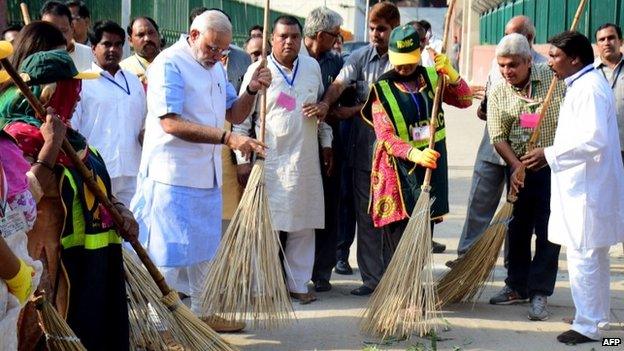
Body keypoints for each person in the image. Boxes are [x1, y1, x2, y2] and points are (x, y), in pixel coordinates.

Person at [131, 10, 270, 332]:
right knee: (167, 257)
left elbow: (233, 112)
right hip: (172, 175)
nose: (217, 55)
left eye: (223, 50)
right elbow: (170, 122)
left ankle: (205, 314)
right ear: (193, 35)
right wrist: (227, 138)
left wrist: (251, 89)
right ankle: (159, 328)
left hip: (205, 174)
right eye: (211, 47)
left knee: (205, 252)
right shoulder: (170, 63)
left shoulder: (215, 68)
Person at [0, 45, 136, 349]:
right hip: (47, 270)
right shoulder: (19, 140)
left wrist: (120, 212)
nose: (77, 99)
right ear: (49, 94)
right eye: (71, 90)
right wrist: (51, 146)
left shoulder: (74, 140)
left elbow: (96, 187)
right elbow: (25, 200)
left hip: (92, 268)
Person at [234, 15, 331, 304]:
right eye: (282, 36)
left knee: (304, 224)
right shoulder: (259, 69)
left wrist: (327, 142)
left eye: (294, 37)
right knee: (265, 226)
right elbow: (241, 120)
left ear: (301, 39)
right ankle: (262, 288)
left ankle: (298, 283)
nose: (289, 41)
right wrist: (242, 159)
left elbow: (321, 109)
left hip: (305, 160)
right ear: (271, 40)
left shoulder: (312, 67)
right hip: (270, 160)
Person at [361, 24, 471, 276]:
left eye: (409, 62)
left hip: (430, 169)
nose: (403, 68)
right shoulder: (382, 89)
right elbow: (385, 136)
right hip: (398, 172)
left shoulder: (433, 78)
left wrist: (452, 75)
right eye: (398, 62)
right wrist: (414, 154)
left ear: (419, 52)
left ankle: (411, 289)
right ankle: (398, 292)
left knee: (423, 233)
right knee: (399, 237)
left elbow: (464, 100)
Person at [320, 2, 409, 296]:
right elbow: (339, 83)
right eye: (372, 28)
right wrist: (327, 103)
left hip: (396, 156)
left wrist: (354, 110)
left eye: (381, 29)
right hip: (362, 154)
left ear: (394, 28)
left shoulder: (406, 61)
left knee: (394, 217)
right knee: (366, 215)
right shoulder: (358, 57)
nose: (375, 34)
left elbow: (393, 102)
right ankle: (372, 279)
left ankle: (396, 278)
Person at [543, 30, 624, 345]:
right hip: (585, 186)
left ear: (574, 59)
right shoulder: (582, 84)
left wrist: (548, 154)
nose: (550, 62)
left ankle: (587, 325)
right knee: (593, 255)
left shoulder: (588, 89)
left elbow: (593, 139)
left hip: (588, 189)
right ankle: (595, 316)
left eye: (555, 56)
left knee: (584, 255)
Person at [449, 16, 548, 267]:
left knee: (516, 211)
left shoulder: (544, 70)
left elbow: (541, 116)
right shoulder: (499, 63)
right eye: (505, 34)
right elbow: (488, 105)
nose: (507, 40)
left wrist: (518, 120)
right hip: (493, 146)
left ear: (528, 39)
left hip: (524, 152)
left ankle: (512, 268)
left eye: (513, 34)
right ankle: (466, 257)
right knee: (479, 200)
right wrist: (484, 109)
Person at [487, 33, 565, 321]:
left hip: (552, 168)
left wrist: (549, 152)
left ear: (529, 62)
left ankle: (540, 292)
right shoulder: (498, 90)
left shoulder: (553, 78)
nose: (507, 72)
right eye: (502, 66)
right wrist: (516, 165)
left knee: (549, 231)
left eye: (513, 65)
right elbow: (497, 136)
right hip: (517, 168)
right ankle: (516, 285)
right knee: (517, 229)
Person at [72, 21, 146, 206]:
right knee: (101, 228)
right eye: (106, 44)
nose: (113, 49)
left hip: (132, 170)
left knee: (131, 227)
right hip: (96, 169)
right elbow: (72, 127)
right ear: (93, 47)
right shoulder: (82, 81)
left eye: (118, 44)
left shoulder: (133, 81)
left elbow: (145, 122)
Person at [299, 6, 344, 293]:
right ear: (319, 35)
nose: (338, 40)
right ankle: (289, 271)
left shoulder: (335, 64)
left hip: (327, 145)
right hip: (296, 146)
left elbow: (332, 108)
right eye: (335, 35)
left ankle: (322, 270)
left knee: (328, 208)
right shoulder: (293, 60)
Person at [595, 23, 624, 164]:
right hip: (599, 152)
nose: (606, 43)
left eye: (611, 38)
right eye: (602, 39)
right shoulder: (588, 74)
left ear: (621, 41)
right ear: (597, 44)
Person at [40, 1, 93, 71]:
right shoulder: (35, 56)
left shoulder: (86, 53)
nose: (58, 37)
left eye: (63, 31)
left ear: (71, 28)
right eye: (51, 31)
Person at [120, 16, 162, 87]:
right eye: (141, 35)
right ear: (130, 41)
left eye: (151, 33)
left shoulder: (173, 62)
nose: (147, 38)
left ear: (159, 35)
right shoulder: (123, 70)